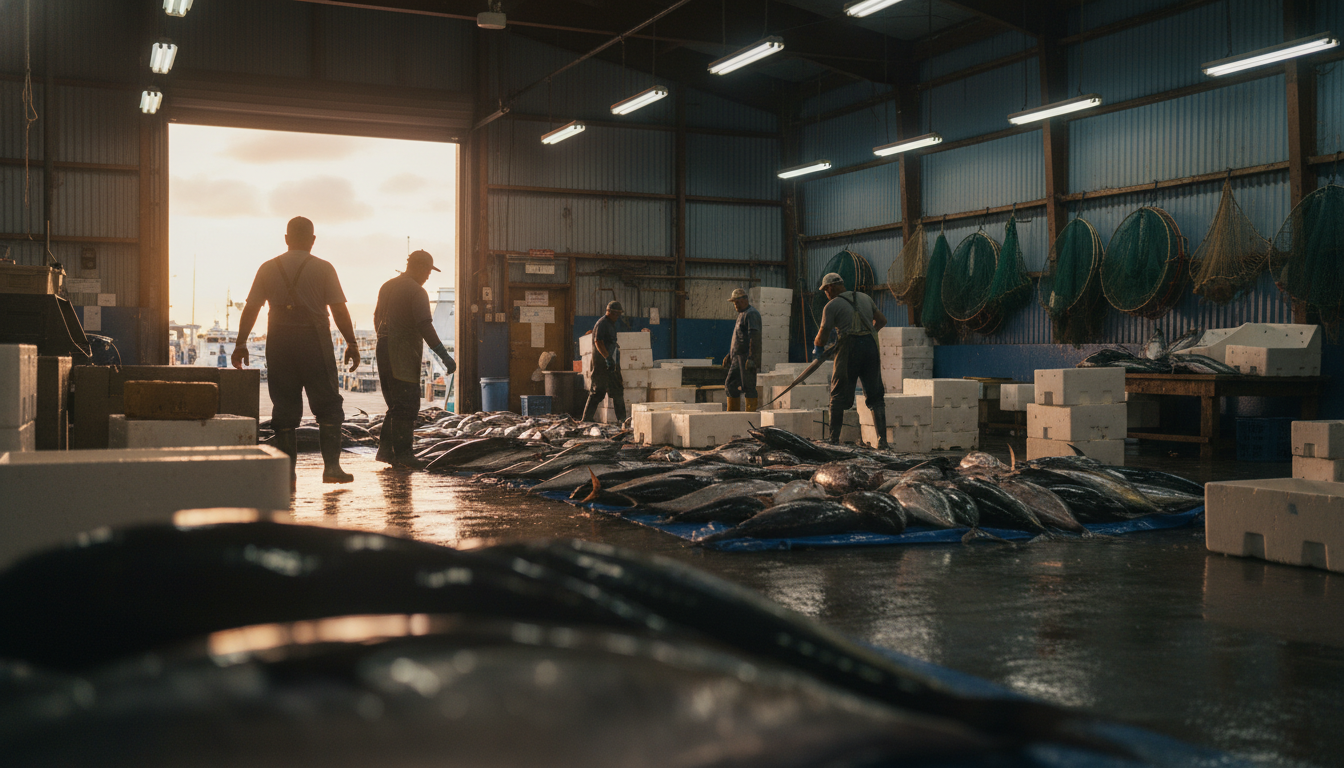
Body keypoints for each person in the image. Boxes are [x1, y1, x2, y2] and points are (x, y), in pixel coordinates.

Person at [232, 216, 360, 485]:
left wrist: (241, 343)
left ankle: (287, 475)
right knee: (328, 406)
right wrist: (352, 342)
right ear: (313, 240)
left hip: (279, 344)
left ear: (287, 239)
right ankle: (332, 469)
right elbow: (339, 310)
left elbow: (251, 308)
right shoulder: (324, 268)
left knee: (285, 408)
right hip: (314, 344)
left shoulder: (268, 267)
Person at [373, 250, 456, 467]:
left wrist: (385, 340)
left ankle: (385, 452)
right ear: (419, 267)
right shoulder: (417, 291)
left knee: (395, 405)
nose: (428, 276)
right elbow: (425, 325)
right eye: (428, 271)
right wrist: (445, 356)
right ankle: (404, 456)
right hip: (402, 353)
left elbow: (376, 317)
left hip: (383, 348)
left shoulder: (387, 286)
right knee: (407, 405)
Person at [812, 272, 888, 447]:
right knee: (876, 396)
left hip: (849, 351)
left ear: (830, 287)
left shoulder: (831, 306)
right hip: (870, 349)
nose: (826, 294)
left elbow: (823, 335)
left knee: (838, 396)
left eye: (825, 291)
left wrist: (818, 348)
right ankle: (883, 441)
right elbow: (882, 320)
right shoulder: (865, 298)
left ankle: (833, 441)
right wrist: (868, 333)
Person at [581, 301, 625, 423]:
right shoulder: (602, 323)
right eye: (616, 314)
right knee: (597, 392)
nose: (618, 317)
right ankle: (586, 419)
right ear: (609, 312)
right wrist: (607, 358)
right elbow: (598, 342)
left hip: (611, 364)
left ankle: (622, 420)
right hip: (601, 364)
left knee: (617, 391)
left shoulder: (611, 324)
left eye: (619, 314)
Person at [722, 288, 762, 412]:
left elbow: (754, 338)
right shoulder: (741, 314)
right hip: (737, 357)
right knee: (730, 385)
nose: (736, 306)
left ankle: (750, 416)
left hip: (746, 358)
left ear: (745, 300)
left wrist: (752, 358)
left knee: (748, 387)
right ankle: (733, 416)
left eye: (738, 302)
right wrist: (730, 355)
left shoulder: (751, 314)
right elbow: (739, 338)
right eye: (734, 303)